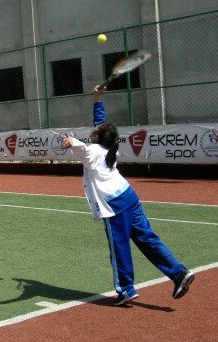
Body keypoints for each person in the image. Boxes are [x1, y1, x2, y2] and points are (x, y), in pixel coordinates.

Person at [62, 86, 194, 306]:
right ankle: (179, 273)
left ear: (97, 136)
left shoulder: (94, 150)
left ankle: (126, 290)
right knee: (148, 239)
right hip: (129, 196)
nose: (95, 127)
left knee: (119, 246)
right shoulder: (107, 145)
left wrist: (71, 142)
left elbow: (83, 149)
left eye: (96, 129)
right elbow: (100, 123)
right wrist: (97, 97)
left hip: (114, 204)